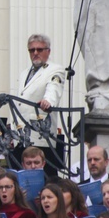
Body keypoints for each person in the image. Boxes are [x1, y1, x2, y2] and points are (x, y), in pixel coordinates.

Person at [13, 34, 65, 168]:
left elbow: (54, 87)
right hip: (21, 136)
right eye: (32, 50)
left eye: (39, 50)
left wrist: (48, 101)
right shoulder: (25, 73)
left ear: (48, 51)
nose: (35, 53)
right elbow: (20, 102)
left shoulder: (55, 69)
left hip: (40, 136)